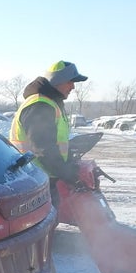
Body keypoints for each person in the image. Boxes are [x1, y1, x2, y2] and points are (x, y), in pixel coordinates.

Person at [9, 61, 89, 202]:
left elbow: (58, 143)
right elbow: (44, 148)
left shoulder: (51, 104)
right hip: (33, 181)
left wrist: (69, 163)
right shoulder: (40, 105)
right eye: (70, 82)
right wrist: (68, 174)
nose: (73, 87)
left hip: (42, 178)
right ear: (58, 80)